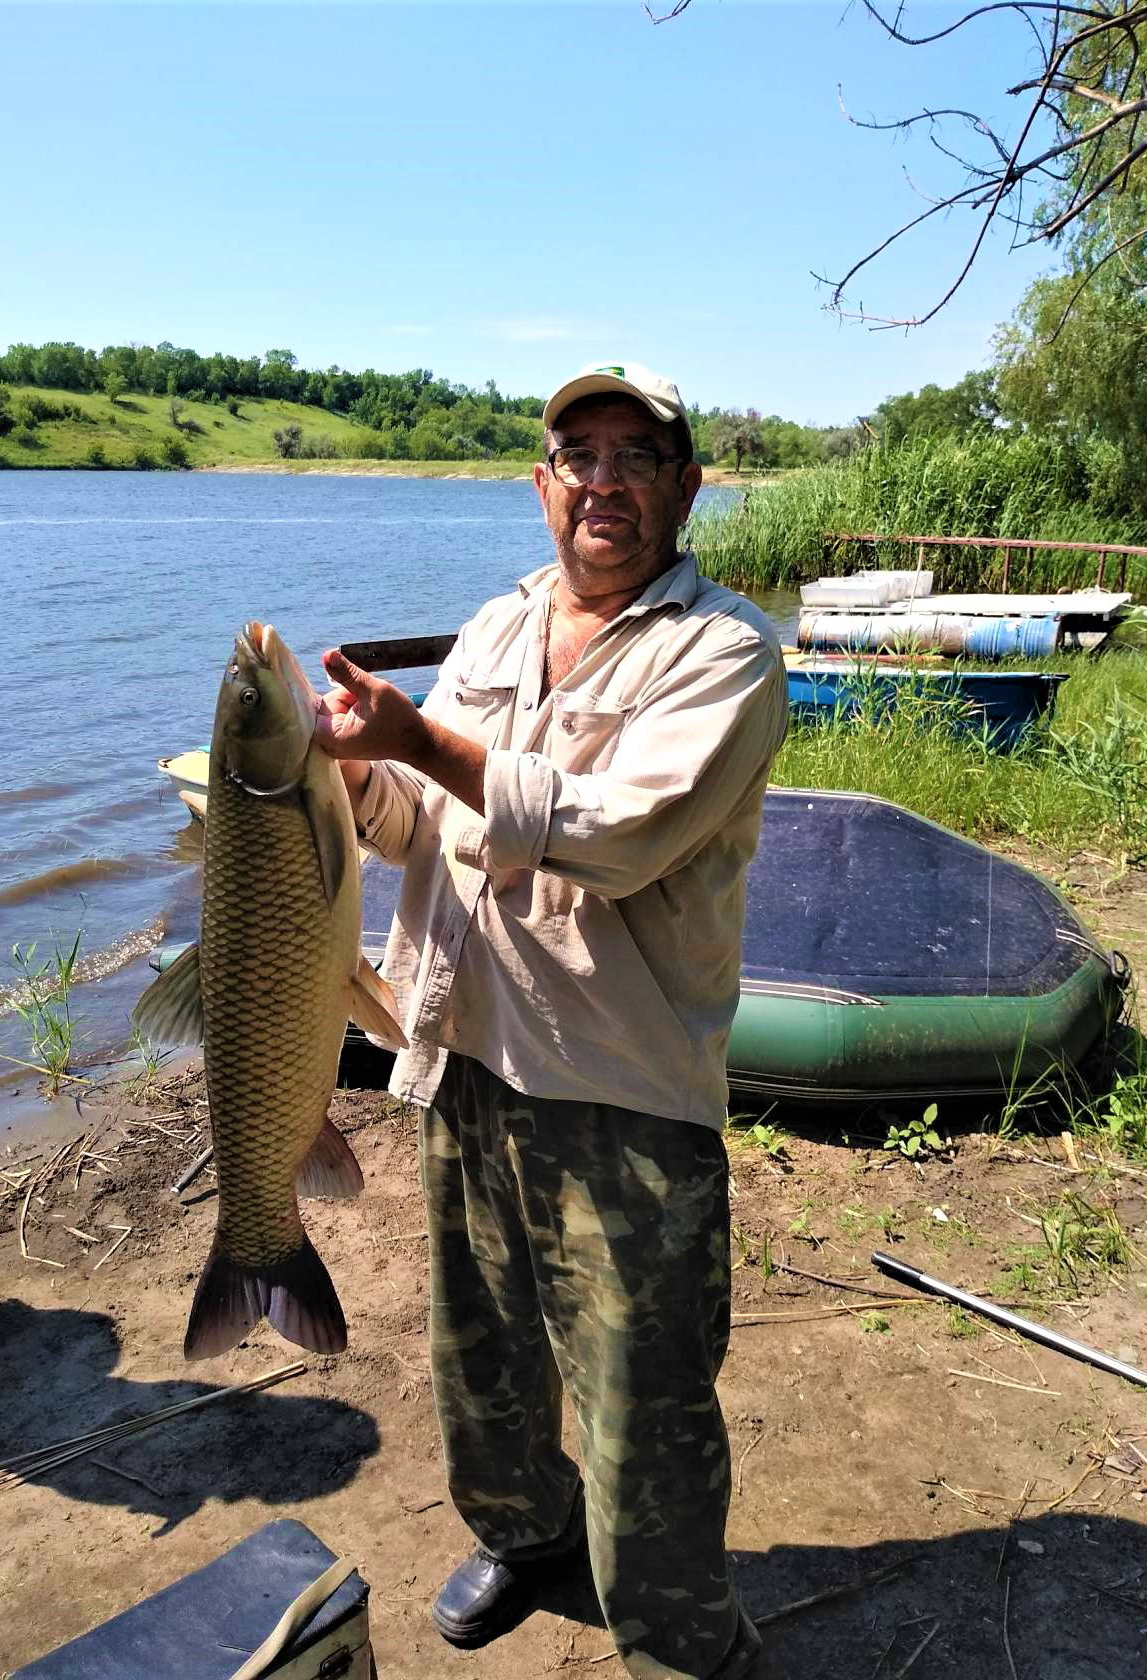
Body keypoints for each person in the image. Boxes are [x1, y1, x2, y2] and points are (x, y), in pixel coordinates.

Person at [313, 361, 788, 1680]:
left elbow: (616, 838)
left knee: (645, 1407)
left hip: (622, 1096)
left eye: (638, 456)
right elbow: (429, 825)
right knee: (484, 1356)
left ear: (687, 486)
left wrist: (416, 742)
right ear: (543, 486)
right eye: (579, 455)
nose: (605, 481)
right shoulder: (499, 625)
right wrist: (349, 781)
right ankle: (526, 1536)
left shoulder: (729, 652)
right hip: (466, 1056)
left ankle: (688, 1643)